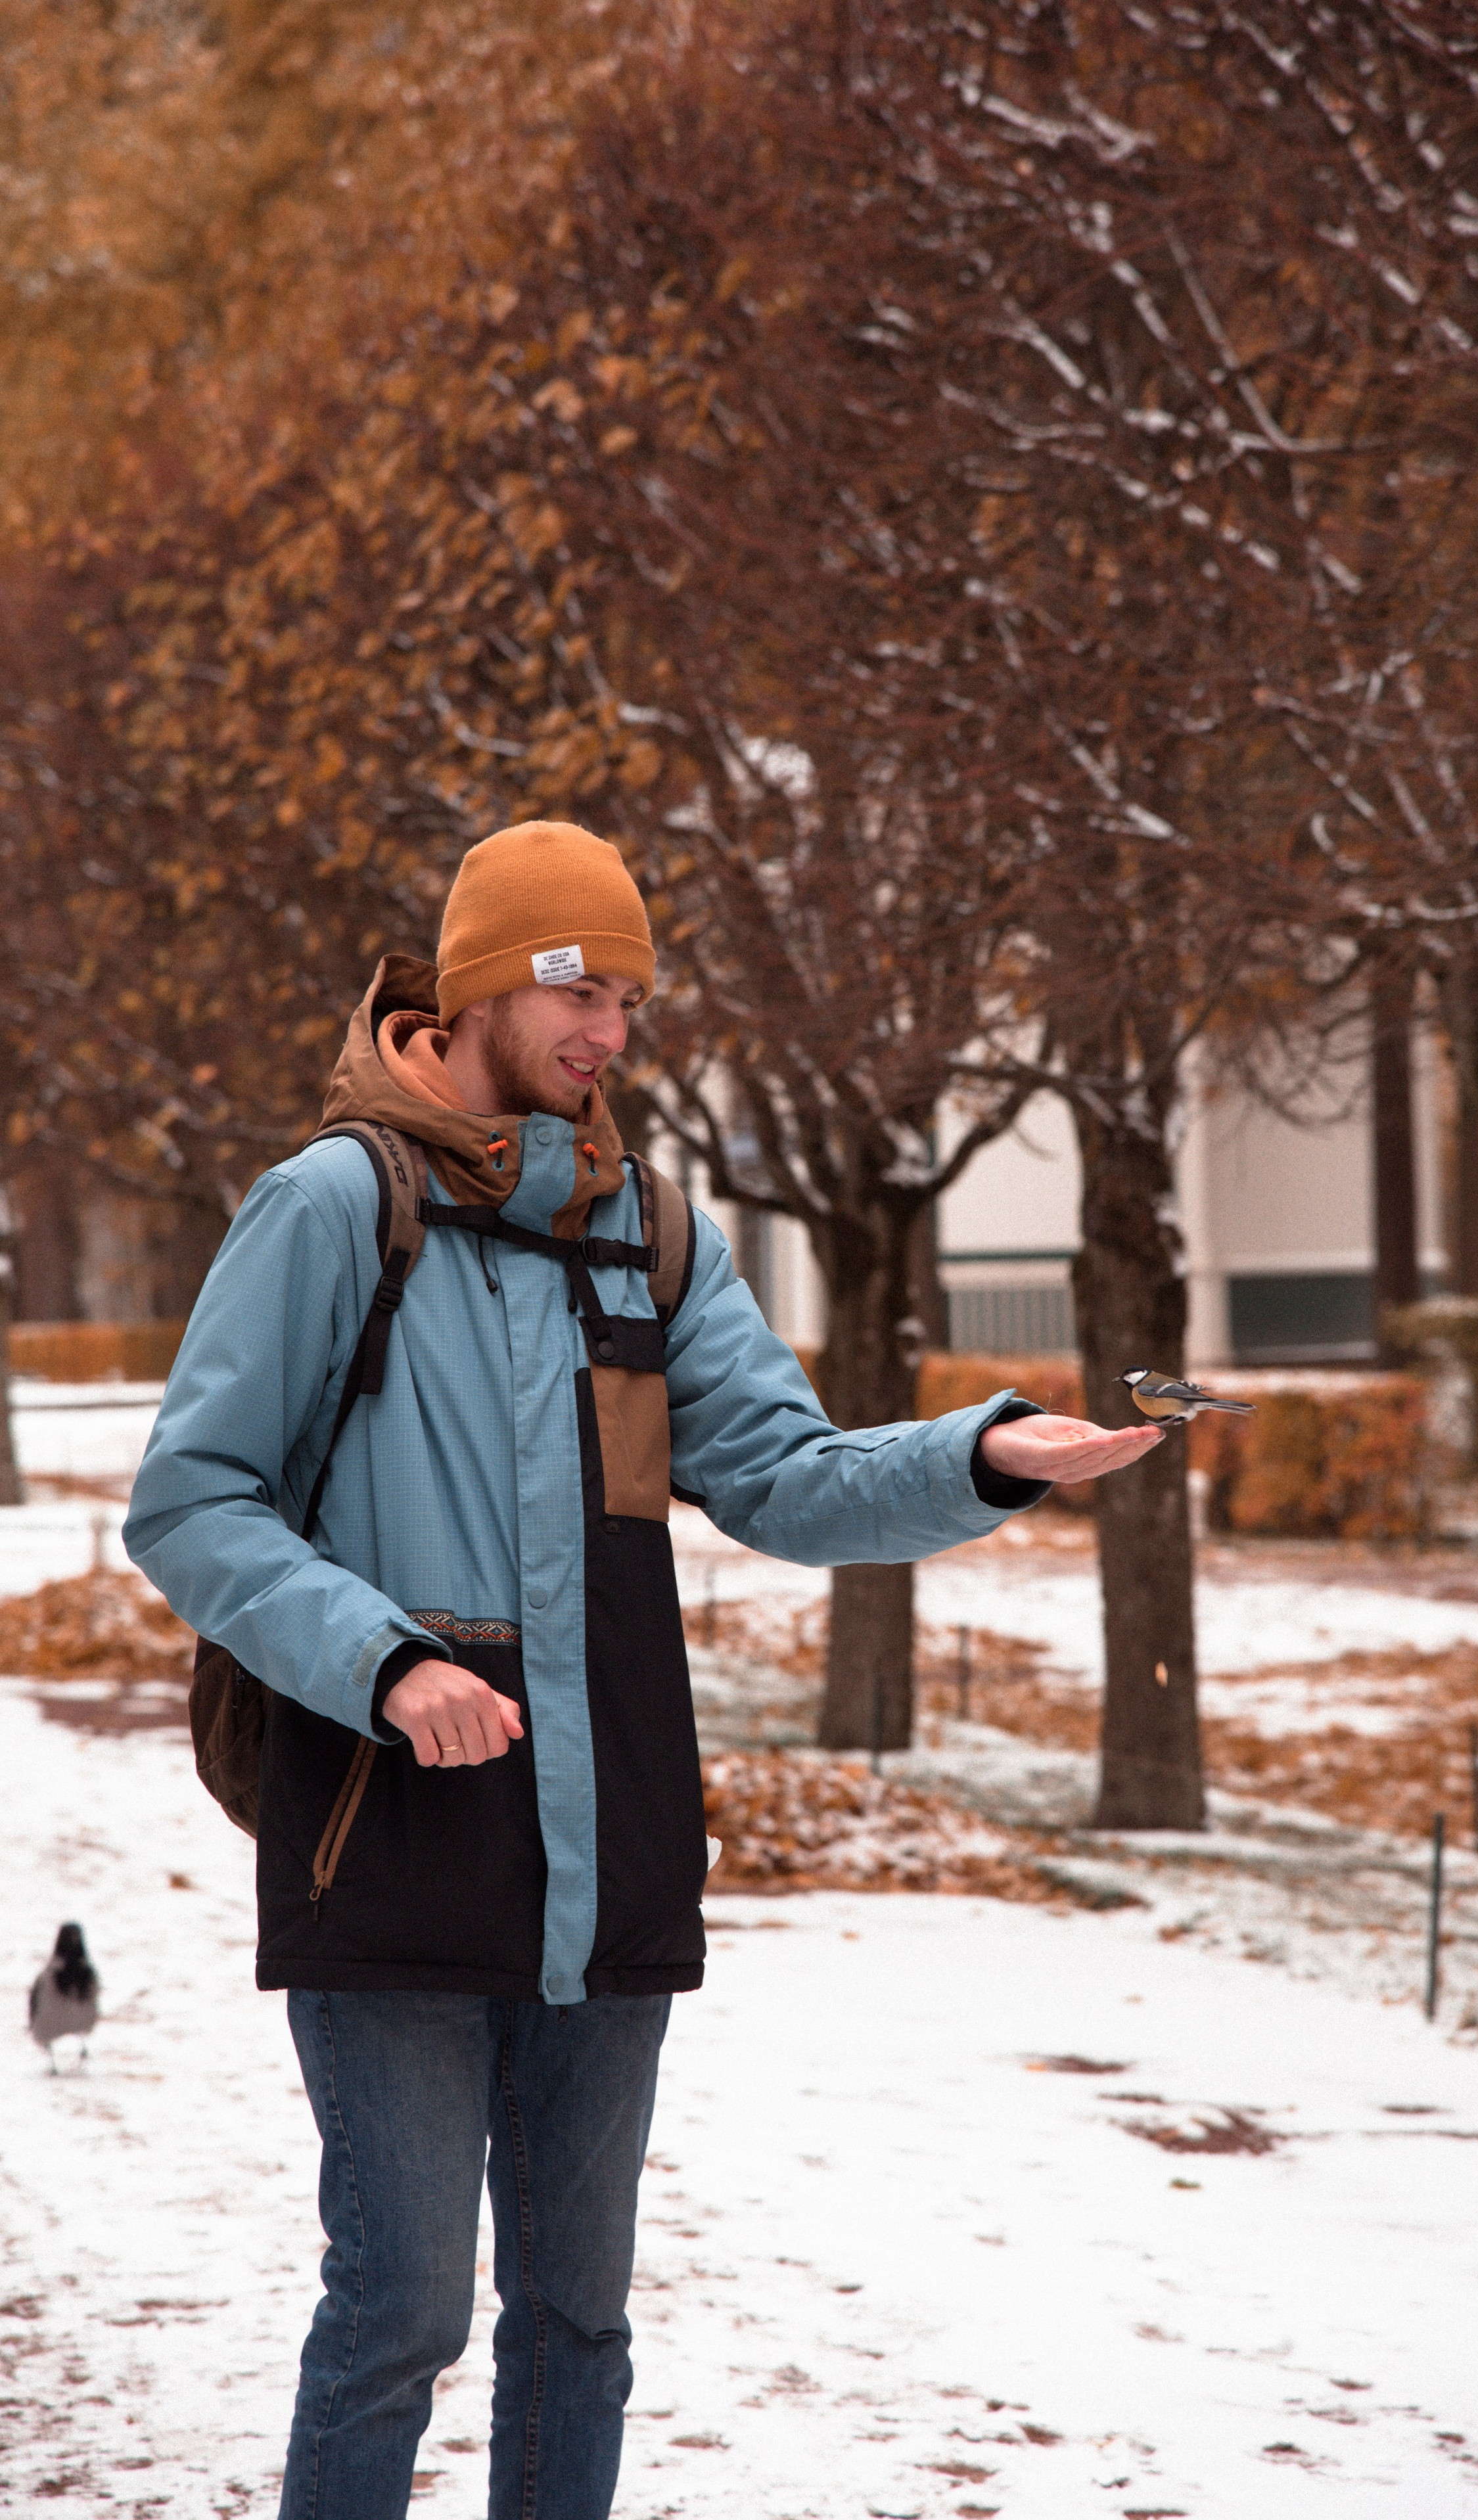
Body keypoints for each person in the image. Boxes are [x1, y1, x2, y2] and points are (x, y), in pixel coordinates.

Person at [124, 819, 1163, 2520]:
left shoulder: (648, 1236)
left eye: (627, 993)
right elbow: (190, 1503)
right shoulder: (335, 1206)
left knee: (578, 2324)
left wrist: (988, 1456)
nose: (608, 1026)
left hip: (604, 1868)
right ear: (476, 991)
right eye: (575, 987)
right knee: (400, 2311)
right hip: (382, 1839)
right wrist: (384, 1661)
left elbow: (785, 1476)